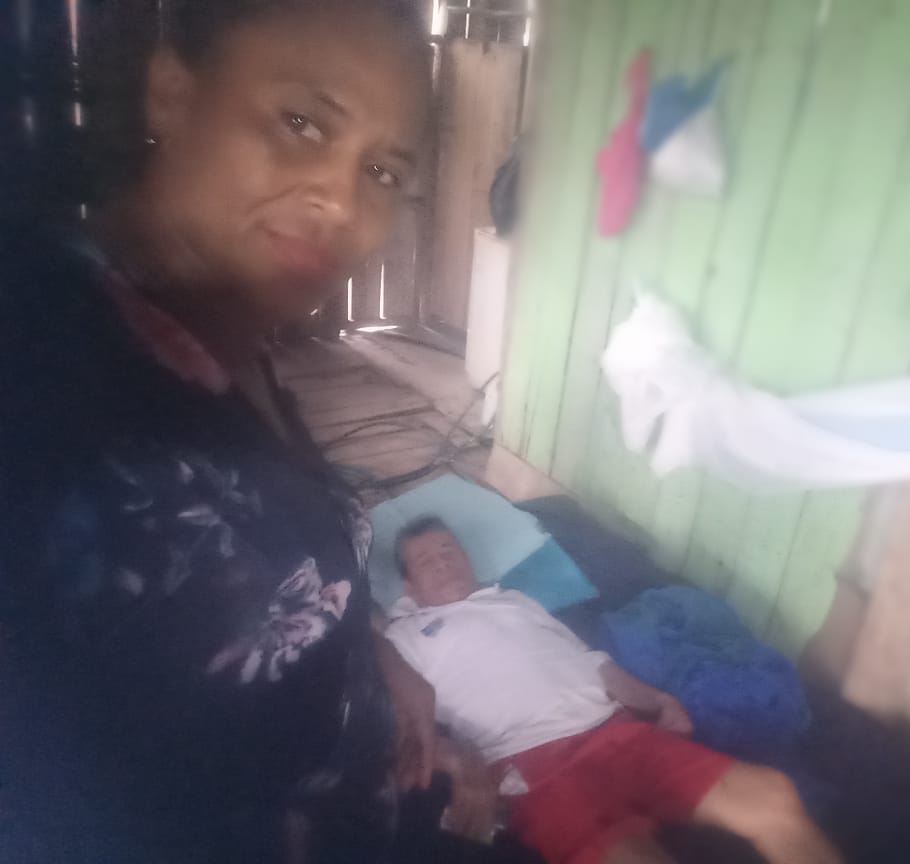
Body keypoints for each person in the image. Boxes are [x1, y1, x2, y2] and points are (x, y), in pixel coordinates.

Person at [0, 2, 505, 861]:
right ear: (173, 92)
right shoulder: (47, 393)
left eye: (382, 170)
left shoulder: (223, 331)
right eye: (300, 122)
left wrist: (376, 661)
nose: (340, 200)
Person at [386, 517, 844, 864]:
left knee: (774, 799)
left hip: (617, 732)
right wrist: (452, 760)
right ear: (409, 587)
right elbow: (389, 712)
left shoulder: (515, 601)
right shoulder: (402, 636)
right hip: (534, 767)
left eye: (449, 550)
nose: (443, 562)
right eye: (426, 561)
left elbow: (592, 662)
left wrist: (656, 700)